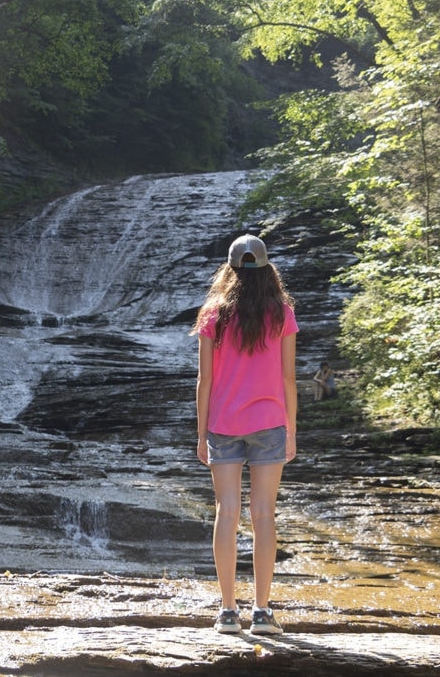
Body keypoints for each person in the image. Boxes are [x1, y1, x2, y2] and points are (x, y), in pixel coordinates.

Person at [190, 233, 298, 636]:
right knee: (264, 514)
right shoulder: (282, 313)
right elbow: (288, 377)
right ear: (267, 268)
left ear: (230, 269)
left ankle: (227, 611)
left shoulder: (213, 314)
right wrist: (291, 430)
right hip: (270, 421)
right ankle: (264, 612)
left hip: (223, 424)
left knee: (227, 512)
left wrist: (201, 434)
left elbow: (205, 380)